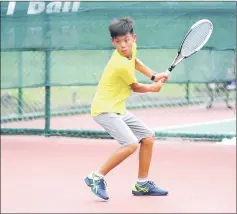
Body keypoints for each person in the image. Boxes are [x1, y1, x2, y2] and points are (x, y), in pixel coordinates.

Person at [84, 17, 169, 200]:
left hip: (118, 109)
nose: (123, 45)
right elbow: (136, 87)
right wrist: (153, 88)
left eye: (126, 40)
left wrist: (154, 76)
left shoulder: (131, 51)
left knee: (147, 137)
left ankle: (142, 183)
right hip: (104, 110)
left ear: (134, 38)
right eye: (118, 42)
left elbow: (136, 61)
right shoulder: (119, 64)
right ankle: (95, 177)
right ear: (112, 42)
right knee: (130, 144)